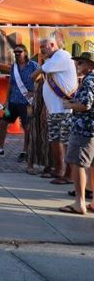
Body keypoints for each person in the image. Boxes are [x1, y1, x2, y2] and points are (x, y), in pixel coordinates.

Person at [34, 34, 77, 183]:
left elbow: (35, 74)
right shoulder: (53, 59)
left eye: (42, 47)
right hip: (55, 109)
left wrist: (39, 69)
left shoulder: (61, 55)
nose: (41, 51)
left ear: (52, 45)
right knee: (55, 139)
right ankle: (59, 169)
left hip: (65, 110)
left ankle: (69, 174)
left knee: (66, 142)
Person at [59, 52, 94, 215]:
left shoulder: (89, 80)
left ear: (90, 65)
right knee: (92, 165)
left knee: (78, 163)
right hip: (90, 129)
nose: (77, 65)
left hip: (84, 129)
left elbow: (86, 105)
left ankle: (79, 202)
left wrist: (69, 105)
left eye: (80, 63)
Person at [0, 44, 38, 162]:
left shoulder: (33, 66)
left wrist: (34, 92)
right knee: (3, 122)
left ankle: (25, 151)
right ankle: (0, 148)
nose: (17, 54)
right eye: (15, 52)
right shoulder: (14, 67)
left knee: (27, 126)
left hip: (27, 103)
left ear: (25, 52)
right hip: (13, 101)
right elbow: (11, 84)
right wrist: (7, 100)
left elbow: (41, 80)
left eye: (19, 52)